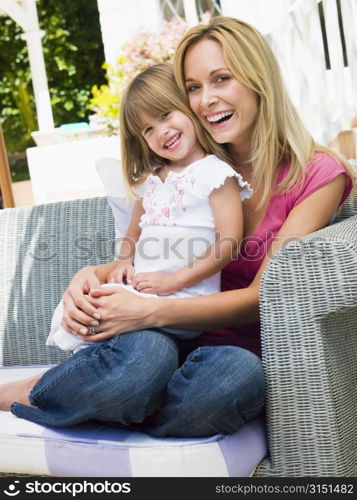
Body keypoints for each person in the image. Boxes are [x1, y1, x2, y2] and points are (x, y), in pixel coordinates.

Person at [0, 16, 354, 438]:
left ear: (259, 79)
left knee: (234, 380)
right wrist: (89, 276)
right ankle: (101, 394)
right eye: (193, 87)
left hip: (225, 350)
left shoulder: (319, 174)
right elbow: (140, 251)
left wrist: (151, 309)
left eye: (221, 79)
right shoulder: (182, 169)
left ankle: (90, 396)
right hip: (155, 340)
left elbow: (261, 296)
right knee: (143, 360)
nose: (207, 100)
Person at [46, 63, 251, 352]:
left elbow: (229, 242)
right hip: (145, 290)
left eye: (166, 115)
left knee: (104, 309)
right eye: (148, 129)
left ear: (187, 108)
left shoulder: (216, 174)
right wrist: (122, 262)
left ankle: (87, 362)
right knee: (87, 303)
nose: (162, 132)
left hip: (187, 297)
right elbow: (133, 233)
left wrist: (173, 280)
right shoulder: (152, 181)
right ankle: (92, 360)